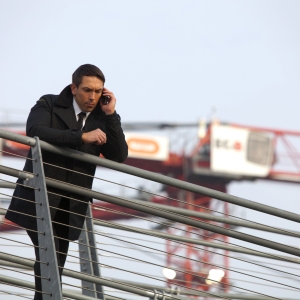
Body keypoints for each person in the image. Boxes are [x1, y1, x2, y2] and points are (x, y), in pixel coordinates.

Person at [5, 64, 128, 299]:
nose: (93, 97)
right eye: (87, 90)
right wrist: (81, 137)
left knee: (54, 261)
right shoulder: (49, 104)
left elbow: (119, 155)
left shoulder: (102, 118)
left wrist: (111, 115)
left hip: (71, 202)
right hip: (40, 197)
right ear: (73, 88)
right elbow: (35, 130)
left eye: (98, 91)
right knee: (49, 254)